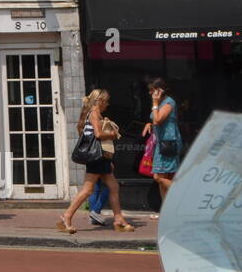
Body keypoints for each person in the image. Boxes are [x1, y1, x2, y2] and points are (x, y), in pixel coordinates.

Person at [59, 89, 135, 233]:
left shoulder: (95, 113)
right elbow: (98, 134)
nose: (108, 104)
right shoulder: (94, 113)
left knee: (113, 187)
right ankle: (66, 216)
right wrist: (113, 134)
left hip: (101, 158)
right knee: (88, 190)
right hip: (96, 158)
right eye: (106, 101)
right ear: (100, 101)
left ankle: (119, 220)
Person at [142, 77, 180, 200]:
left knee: (158, 177)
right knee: (161, 178)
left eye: (152, 90)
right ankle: (165, 211)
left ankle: (182, 190)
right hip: (160, 143)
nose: (150, 93)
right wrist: (149, 124)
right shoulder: (159, 103)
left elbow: (158, 119)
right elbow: (155, 120)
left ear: (160, 90)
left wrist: (154, 103)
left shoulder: (169, 102)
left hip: (168, 143)